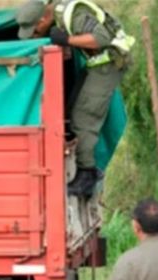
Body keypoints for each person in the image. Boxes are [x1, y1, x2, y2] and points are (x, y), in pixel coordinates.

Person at [15, 0, 135, 196]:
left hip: (109, 63)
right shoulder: (58, 15)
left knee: (83, 116)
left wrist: (67, 41)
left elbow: (101, 38)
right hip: (97, 62)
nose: (36, 34)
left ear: (44, 18)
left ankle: (87, 174)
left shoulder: (73, 12)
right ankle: (83, 167)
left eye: (35, 30)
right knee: (72, 108)